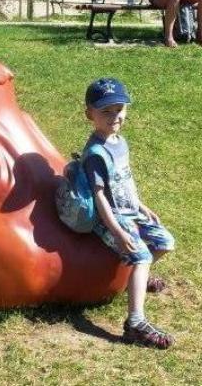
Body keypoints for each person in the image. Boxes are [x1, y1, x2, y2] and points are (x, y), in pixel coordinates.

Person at [80, 78, 176, 349]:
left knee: (166, 241)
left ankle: (136, 279)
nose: (115, 116)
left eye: (119, 109)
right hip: (111, 217)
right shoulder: (96, 153)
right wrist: (117, 231)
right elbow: (99, 196)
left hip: (130, 210)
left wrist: (140, 205)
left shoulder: (119, 142)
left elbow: (125, 180)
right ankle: (135, 323)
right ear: (90, 114)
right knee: (142, 255)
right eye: (106, 111)